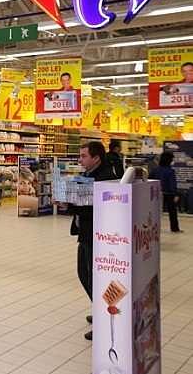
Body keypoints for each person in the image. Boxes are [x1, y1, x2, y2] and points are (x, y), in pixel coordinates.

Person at [73, 141, 116, 341]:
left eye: (84, 156)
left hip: (97, 235)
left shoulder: (105, 178)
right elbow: (80, 203)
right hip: (85, 233)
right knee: (83, 273)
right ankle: (99, 310)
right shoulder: (87, 175)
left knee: (95, 279)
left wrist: (71, 203)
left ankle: (104, 319)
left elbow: (94, 208)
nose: (80, 159)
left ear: (96, 158)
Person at [150, 151, 183, 233]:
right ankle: (175, 229)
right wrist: (176, 194)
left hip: (157, 193)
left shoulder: (155, 170)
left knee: (155, 212)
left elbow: (149, 180)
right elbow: (172, 184)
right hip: (169, 194)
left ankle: (153, 228)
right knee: (172, 212)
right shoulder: (170, 171)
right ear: (169, 160)